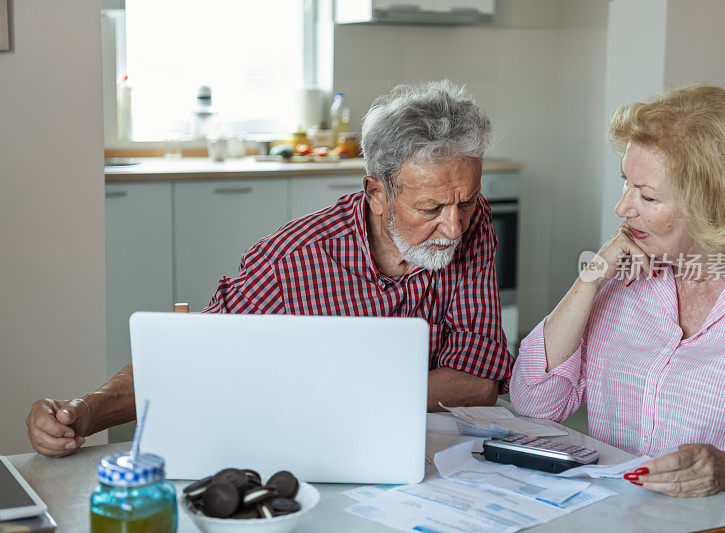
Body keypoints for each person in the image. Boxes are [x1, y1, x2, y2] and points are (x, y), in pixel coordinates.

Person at [27, 80, 513, 458]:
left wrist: (343, 393)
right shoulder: (291, 259)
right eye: (430, 209)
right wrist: (85, 411)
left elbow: (478, 379)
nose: (453, 227)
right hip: (315, 452)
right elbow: (192, 356)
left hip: (434, 453)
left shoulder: (472, 221)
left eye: (466, 202)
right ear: (376, 193)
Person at [510, 86, 725, 523]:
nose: (622, 207)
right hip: (610, 519)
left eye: (647, 196)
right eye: (626, 183)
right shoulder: (632, 264)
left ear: (713, 204)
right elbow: (535, 401)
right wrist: (589, 279)